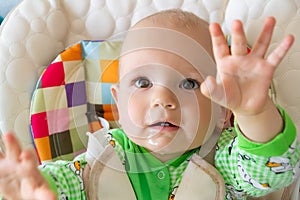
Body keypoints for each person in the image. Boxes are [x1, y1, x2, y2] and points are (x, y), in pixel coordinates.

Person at [0, 9, 299, 200]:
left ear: (222, 112)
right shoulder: (100, 160)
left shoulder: (224, 161)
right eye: (143, 83)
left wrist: (253, 113)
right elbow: (60, 183)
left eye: (189, 83)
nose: (163, 99)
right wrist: (32, 188)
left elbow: (270, 171)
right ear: (117, 104)